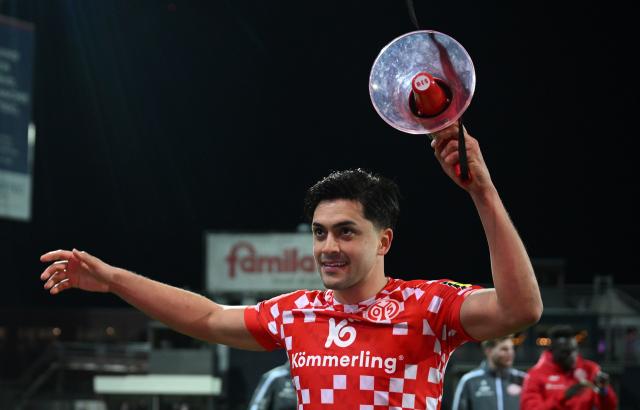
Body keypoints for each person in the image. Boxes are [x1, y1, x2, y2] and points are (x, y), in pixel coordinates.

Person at [39, 124, 543, 408]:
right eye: (320, 233)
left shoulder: (430, 305)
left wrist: (482, 191)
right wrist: (112, 279)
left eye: (346, 231)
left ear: (383, 240)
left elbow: (520, 309)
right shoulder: (296, 313)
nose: (328, 246)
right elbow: (208, 318)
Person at [520, 325, 618, 410]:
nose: (572, 356)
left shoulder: (590, 369)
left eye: (574, 350)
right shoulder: (535, 375)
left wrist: (604, 391)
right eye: (565, 352)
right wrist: (563, 396)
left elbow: (609, 408)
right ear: (552, 351)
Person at [451, 335, 526, 410]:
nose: (510, 353)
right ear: (489, 351)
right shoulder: (470, 381)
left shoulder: (523, 379)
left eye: (512, 348)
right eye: (504, 349)